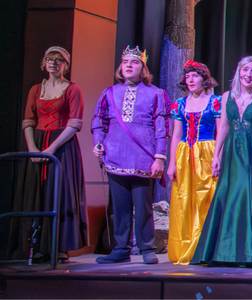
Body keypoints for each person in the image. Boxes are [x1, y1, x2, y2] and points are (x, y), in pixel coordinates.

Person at [191, 56, 252, 267]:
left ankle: (250, 252)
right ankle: (225, 251)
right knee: (228, 195)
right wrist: (216, 155)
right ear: (239, 72)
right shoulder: (227, 96)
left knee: (248, 194)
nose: (249, 75)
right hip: (231, 150)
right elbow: (223, 126)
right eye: (245, 70)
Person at [92, 46, 171, 264]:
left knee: (144, 207)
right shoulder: (109, 93)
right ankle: (121, 249)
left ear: (143, 68)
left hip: (143, 158)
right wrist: (98, 143)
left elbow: (162, 127)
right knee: (120, 207)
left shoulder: (156, 94)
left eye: (134, 62)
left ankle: (146, 249)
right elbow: (99, 121)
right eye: (125, 61)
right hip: (115, 155)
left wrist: (159, 157)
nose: (128, 65)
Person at [11, 46, 88, 263]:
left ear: (66, 64)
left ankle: (59, 246)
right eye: (50, 59)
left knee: (59, 193)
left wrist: (51, 149)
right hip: (37, 142)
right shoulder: (36, 89)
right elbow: (28, 120)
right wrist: (33, 149)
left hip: (62, 146)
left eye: (58, 59)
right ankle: (35, 246)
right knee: (36, 193)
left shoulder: (72, 88)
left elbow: (75, 122)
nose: (53, 63)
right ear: (44, 63)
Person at [165, 60, 221, 265]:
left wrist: (218, 156)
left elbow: (221, 131)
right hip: (184, 154)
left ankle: (205, 249)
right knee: (184, 200)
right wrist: (172, 163)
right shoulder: (180, 104)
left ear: (204, 79)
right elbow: (176, 134)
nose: (190, 79)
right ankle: (186, 247)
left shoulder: (215, 102)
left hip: (206, 152)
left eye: (195, 75)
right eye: (187, 76)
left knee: (205, 198)